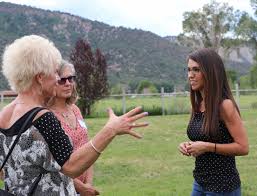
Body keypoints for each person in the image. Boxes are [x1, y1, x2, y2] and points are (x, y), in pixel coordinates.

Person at [0, 35, 148, 195]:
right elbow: (71, 167)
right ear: (40, 78)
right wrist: (110, 130)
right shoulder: (43, 118)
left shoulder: (4, 114)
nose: (58, 79)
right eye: (54, 73)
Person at [178, 48, 248, 196]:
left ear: (211, 72)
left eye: (196, 70)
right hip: (200, 183)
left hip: (223, 187)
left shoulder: (225, 106)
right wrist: (188, 145)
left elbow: (243, 147)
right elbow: (203, 138)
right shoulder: (198, 105)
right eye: (189, 70)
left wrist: (207, 147)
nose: (190, 75)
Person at [47, 60, 99, 195]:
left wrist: (88, 184)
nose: (68, 83)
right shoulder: (46, 116)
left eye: (70, 78)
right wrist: (81, 188)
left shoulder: (75, 109)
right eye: (62, 80)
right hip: (62, 188)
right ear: (51, 83)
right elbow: (53, 163)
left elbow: (87, 146)